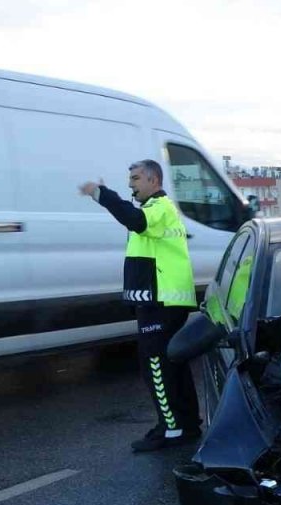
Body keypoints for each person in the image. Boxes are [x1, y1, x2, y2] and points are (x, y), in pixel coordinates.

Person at [78, 161, 201, 452]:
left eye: (135, 178)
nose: (131, 184)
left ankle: (172, 429)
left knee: (155, 366)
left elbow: (136, 221)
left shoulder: (159, 207)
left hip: (161, 300)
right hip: (162, 299)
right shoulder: (156, 209)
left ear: (154, 180)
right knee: (173, 365)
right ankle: (187, 424)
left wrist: (101, 194)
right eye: (129, 178)